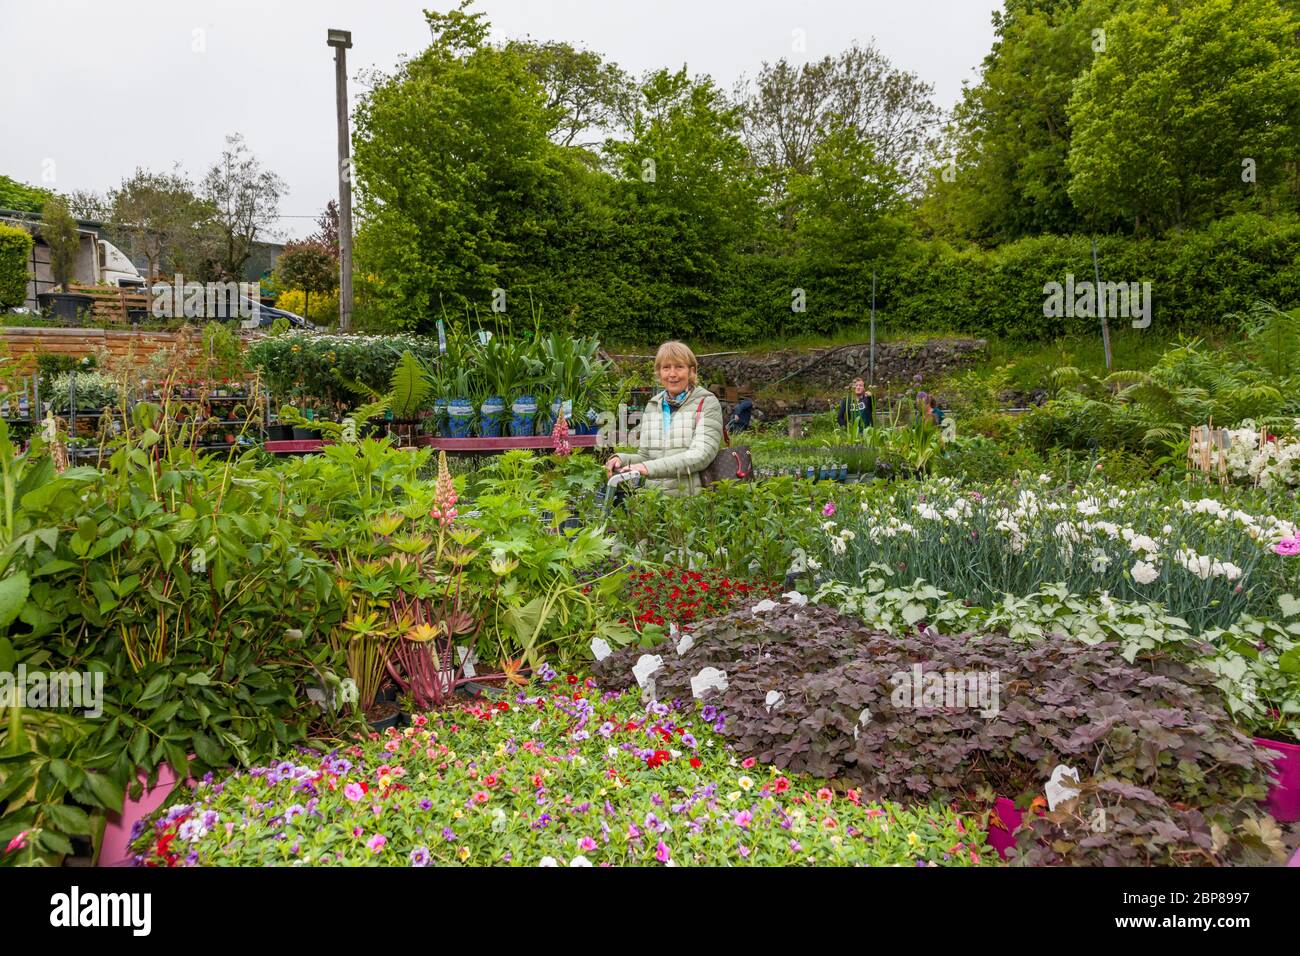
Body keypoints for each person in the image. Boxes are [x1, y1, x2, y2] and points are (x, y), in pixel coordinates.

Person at [605, 340, 723, 497]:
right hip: (653, 501)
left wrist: (646, 468)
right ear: (659, 373)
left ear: (691, 371)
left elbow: (700, 455)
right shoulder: (653, 405)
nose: (672, 374)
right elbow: (646, 456)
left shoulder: (706, 402)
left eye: (679, 367)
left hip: (692, 502)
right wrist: (622, 459)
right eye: (666, 368)